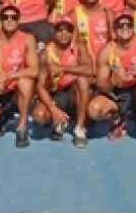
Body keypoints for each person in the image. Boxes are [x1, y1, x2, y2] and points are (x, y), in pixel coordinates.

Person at [88, 10, 136, 151]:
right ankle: (118, 118)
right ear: (114, 30)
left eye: (128, 25)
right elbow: (101, 84)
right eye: (120, 25)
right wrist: (112, 82)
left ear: (134, 28)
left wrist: (130, 73)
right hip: (119, 93)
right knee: (94, 110)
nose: (125, 28)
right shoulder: (107, 51)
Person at [0, 2, 39, 148]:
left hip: (17, 93)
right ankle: (2, 115)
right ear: (0, 19)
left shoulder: (27, 38)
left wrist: (10, 75)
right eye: (5, 17)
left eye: (14, 17)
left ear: (19, 19)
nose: (9, 20)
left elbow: (34, 70)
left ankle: (22, 127)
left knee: (25, 81)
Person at [32, 16, 93, 148]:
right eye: (60, 30)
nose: (64, 34)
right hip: (54, 93)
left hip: (72, 92)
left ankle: (79, 129)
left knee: (83, 80)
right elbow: (40, 87)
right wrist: (54, 110)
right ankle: (58, 119)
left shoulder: (79, 46)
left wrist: (63, 68)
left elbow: (90, 70)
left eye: (68, 30)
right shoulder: (45, 53)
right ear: (53, 31)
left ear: (73, 32)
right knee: (39, 116)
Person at [71, 0, 114, 65]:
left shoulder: (109, 14)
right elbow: (71, 45)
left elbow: (115, 45)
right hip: (84, 67)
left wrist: (114, 69)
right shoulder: (74, 14)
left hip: (105, 66)